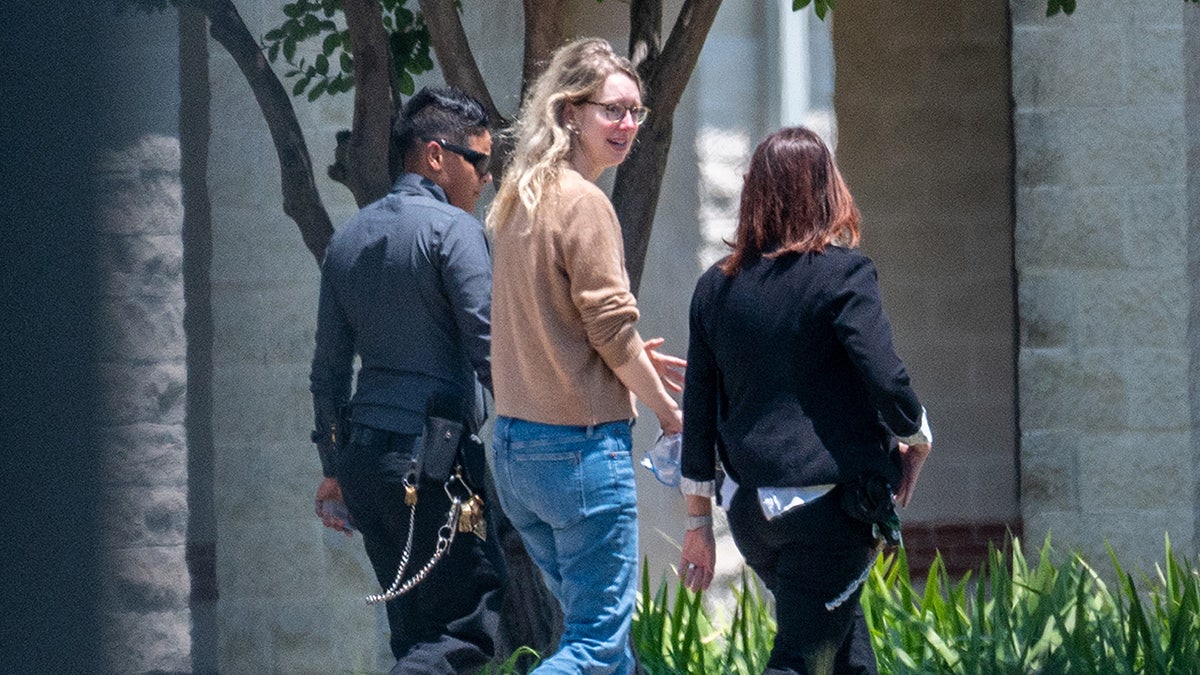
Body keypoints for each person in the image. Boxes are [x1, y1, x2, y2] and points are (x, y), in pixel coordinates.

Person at [677, 127, 933, 675]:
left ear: (755, 193)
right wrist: (916, 436)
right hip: (828, 510)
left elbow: (697, 412)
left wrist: (698, 525)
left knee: (844, 656)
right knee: (798, 659)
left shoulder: (714, 288)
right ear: (825, 189)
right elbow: (886, 378)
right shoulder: (844, 274)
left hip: (752, 515)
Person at [486, 38, 685, 674]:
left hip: (516, 452)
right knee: (596, 649)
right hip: (577, 453)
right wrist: (668, 411)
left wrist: (620, 363)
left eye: (636, 113)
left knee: (610, 652)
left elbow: (564, 325)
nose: (627, 124)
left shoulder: (519, 197)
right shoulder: (585, 202)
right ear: (571, 111)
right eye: (613, 110)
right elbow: (610, 332)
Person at [308, 86, 505, 674]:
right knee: (460, 633)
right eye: (480, 162)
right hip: (435, 464)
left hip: (366, 466)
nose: (486, 180)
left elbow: (328, 373)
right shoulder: (454, 231)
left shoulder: (347, 240)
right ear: (437, 156)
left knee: (415, 635)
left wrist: (332, 470)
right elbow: (490, 349)